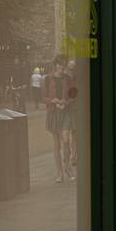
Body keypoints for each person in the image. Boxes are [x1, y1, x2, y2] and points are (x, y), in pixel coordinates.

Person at [43, 55, 71, 183]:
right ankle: (59, 172)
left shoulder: (68, 78)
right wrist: (52, 101)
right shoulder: (48, 79)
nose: (61, 67)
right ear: (55, 65)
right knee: (56, 144)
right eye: (59, 64)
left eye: (63, 64)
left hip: (65, 111)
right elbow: (43, 97)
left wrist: (66, 102)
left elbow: (74, 93)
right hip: (53, 112)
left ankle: (67, 167)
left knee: (65, 140)